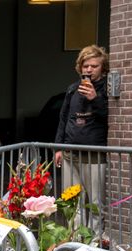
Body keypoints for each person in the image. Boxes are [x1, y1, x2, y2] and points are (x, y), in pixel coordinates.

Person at [54, 45, 109, 233]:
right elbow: (64, 119)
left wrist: (95, 98)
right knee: (72, 201)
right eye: (86, 66)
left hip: (94, 155)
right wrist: (59, 148)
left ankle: (94, 241)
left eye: (94, 66)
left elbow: (110, 118)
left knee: (94, 202)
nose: (89, 70)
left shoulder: (106, 90)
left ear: (103, 68)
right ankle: (76, 240)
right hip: (70, 153)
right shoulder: (72, 89)